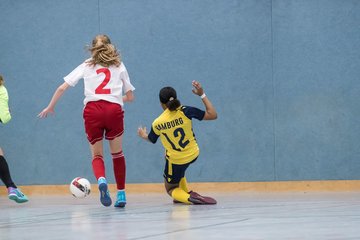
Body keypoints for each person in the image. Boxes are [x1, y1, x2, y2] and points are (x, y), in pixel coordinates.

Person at [38, 35, 135, 208]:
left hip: (93, 111)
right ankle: (121, 194)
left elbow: (62, 87)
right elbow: (130, 96)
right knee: (117, 154)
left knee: (97, 155)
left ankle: (102, 180)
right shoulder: (119, 64)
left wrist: (50, 107)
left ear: (92, 48)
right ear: (110, 46)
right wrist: (114, 98)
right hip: (113, 110)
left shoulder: (87, 64)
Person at [137, 80, 217, 204]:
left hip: (176, 160)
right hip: (193, 153)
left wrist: (143, 135)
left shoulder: (158, 122)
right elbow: (213, 115)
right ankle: (186, 193)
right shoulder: (186, 111)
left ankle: (189, 199)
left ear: (161, 104)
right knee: (178, 170)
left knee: (170, 188)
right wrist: (202, 94)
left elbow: (152, 140)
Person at [0, 74, 29, 203]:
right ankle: (11, 187)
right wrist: (8, 113)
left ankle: (12, 187)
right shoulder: (1, 89)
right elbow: (4, 117)